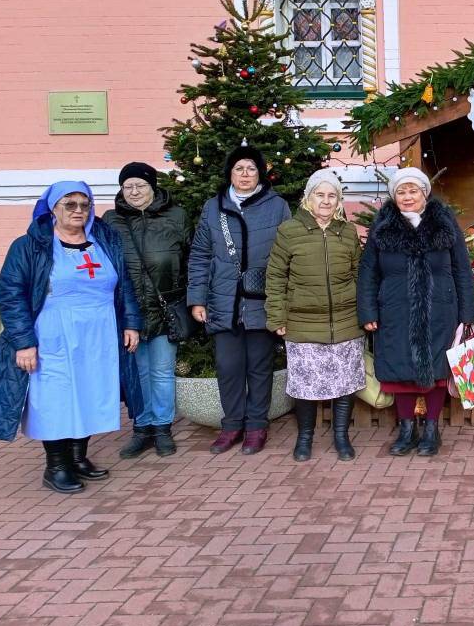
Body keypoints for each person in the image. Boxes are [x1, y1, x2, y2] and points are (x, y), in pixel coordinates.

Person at [0, 182, 143, 493]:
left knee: (91, 391)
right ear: (53, 208)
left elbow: (124, 285)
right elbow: (11, 295)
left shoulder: (105, 240)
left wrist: (131, 323)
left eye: (85, 204)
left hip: (100, 335)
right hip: (53, 335)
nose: (79, 210)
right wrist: (24, 342)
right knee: (56, 397)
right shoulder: (29, 246)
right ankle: (57, 466)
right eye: (70, 204)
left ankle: (77, 458)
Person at [358, 167, 474, 457]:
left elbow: (462, 269)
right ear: (394, 196)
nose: (408, 196)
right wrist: (368, 311)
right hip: (395, 310)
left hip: (440, 309)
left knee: (437, 370)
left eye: (413, 191)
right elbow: (368, 271)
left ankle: (432, 430)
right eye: (401, 192)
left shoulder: (444, 223)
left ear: (425, 193)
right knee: (400, 371)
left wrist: (467, 314)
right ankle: (407, 429)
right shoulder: (383, 226)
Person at [187, 144, 291, 456]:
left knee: (259, 366)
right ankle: (231, 424)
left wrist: (283, 302)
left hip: (262, 300)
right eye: (239, 169)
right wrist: (197, 299)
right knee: (228, 366)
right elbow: (200, 255)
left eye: (251, 169)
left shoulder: (277, 206)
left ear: (260, 173)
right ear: (230, 174)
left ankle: (257, 425)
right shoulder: (213, 207)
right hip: (223, 301)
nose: (245, 174)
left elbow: (288, 256)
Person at [266, 169, 365, 462]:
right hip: (302, 323)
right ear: (308, 198)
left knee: (345, 383)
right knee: (305, 385)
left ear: (339, 201)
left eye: (332, 195)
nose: (325, 200)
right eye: (319, 194)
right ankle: (305, 437)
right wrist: (277, 316)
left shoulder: (347, 231)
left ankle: (341, 437)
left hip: (346, 322)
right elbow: (276, 276)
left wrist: (364, 312)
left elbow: (359, 274)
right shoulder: (289, 231)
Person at [103, 162, 192, 459]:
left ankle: (163, 428)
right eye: (127, 186)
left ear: (153, 187)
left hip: (165, 308)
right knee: (139, 373)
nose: (134, 191)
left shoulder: (176, 216)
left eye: (140, 185)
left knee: (162, 371)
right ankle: (142, 428)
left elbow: (192, 257)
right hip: (130, 312)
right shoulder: (111, 220)